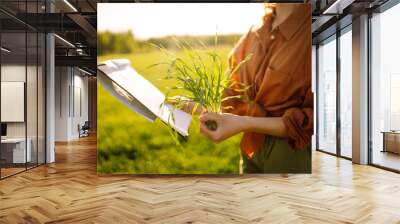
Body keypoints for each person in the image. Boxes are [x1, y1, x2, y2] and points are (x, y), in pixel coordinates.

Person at [180, 3, 313, 173]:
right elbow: (232, 95)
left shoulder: (314, 30)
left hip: (291, 153)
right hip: (251, 147)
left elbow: (315, 119)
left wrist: (244, 123)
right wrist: (193, 107)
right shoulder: (255, 32)